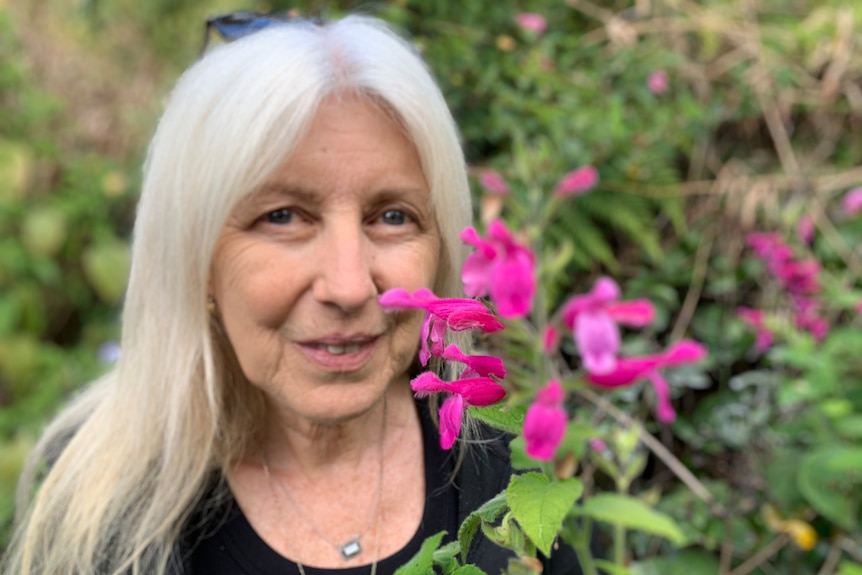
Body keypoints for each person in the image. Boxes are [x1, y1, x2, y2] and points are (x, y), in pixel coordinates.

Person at [1, 13, 586, 575]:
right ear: (196, 260)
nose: (349, 285)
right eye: (282, 216)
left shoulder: (514, 477)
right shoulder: (99, 510)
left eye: (392, 216)